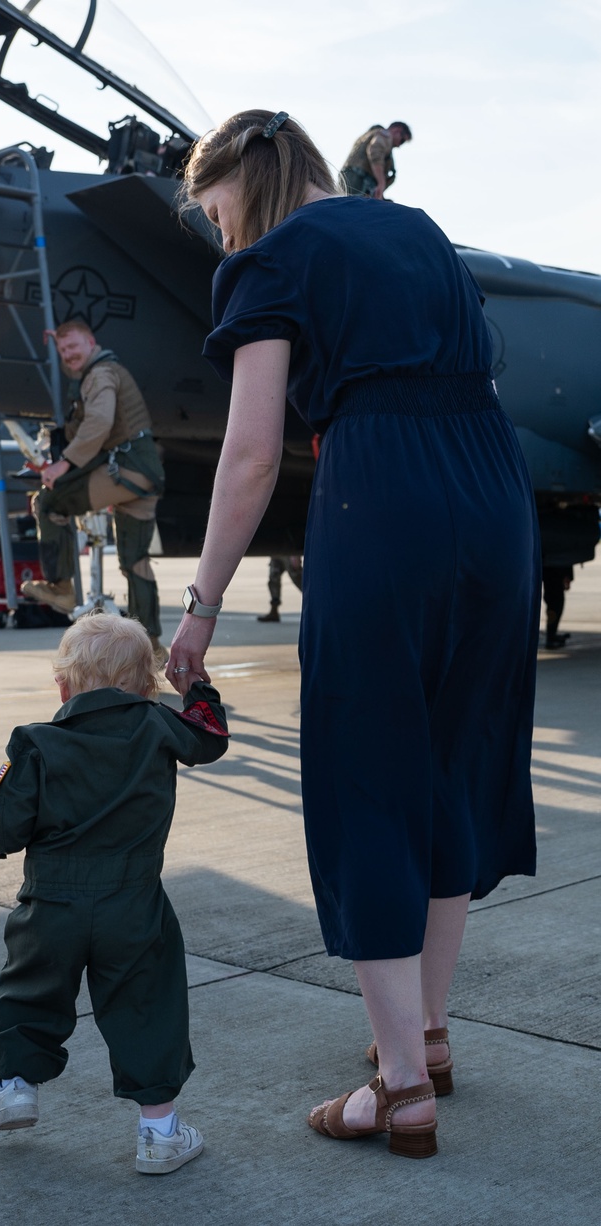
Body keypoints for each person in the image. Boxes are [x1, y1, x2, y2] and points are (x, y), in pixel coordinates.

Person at [167, 109, 538, 1158]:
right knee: (454, 769)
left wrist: (198, 608)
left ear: (238, 183)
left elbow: (247, 459)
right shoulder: (415, 227)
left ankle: (402, 1088)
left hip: (380, 492)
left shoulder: (270, 260)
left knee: (366, 777)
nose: (217, 235)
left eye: (212, 213)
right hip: (492, 488)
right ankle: (427, 1029)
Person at [0, 612, 229, 1174]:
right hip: (133, 902)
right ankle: (160, 1133)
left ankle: (18, 1083)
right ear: (146, 688)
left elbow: (3, 833)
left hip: (50, 904)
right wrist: (196, 688)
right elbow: (211, 739)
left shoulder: (33, 743)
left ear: (63, 687)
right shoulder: (154, 724)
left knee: (30, 992)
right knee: (147, 1008)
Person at [20, 319, 167, 661]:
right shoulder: (105, 368)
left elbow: (99, 422)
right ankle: (154, 646)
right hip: (145, 475)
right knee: (137, 563)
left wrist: (63, 463)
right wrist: (56, 337)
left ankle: (62, 587)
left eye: (74, 347)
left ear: (91, 343)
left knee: (49, 502)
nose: (69, 354)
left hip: (127, 471)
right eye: (62, 349)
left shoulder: (100, 374)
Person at [340, 122, 412, 198]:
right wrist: (381, 183)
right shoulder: (385, 136)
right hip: (359, 179)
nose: (399, 145)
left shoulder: (372, 134)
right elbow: (375, 153)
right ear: (397, 130)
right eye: (402, 140)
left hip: (349, 177)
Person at [259, 555, 303, 621]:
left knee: (299, 579)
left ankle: (317, 605)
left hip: (289, 550)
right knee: (274, 579)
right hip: (276, 551)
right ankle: (274, 610)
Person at [541, 563, 574, 648]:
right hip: (554, 571)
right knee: (555, 605)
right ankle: (551, 637)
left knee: (554, 604)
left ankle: (552, 635)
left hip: (552, 572)